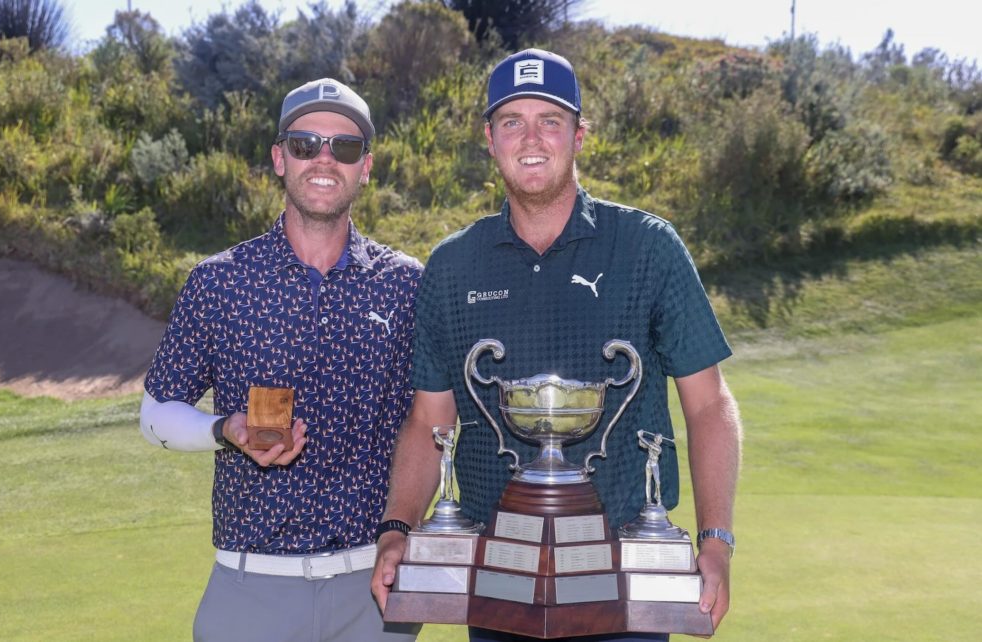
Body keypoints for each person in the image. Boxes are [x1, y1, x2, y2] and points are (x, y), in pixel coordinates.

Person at [371, 49, 743, 642]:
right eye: (512, 121)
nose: (531, 137)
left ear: (579, 134)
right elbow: (428, 421)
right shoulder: (451, 265)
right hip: (499, 586)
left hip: (625, 585)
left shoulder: (649, 248)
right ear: (489, 139)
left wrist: (716, 540)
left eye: (550, 119)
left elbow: (709, 406)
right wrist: (397, 526)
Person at [140, 78, 422, 642]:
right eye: (304, 144)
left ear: (366, 166)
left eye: (344, 148)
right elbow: (155, 414)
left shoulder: (407, 285)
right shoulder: (219, 281)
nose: (324, 159)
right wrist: (226, 430)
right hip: (250, 589)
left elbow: (428, 424)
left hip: (374, 592)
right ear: (278, 158)